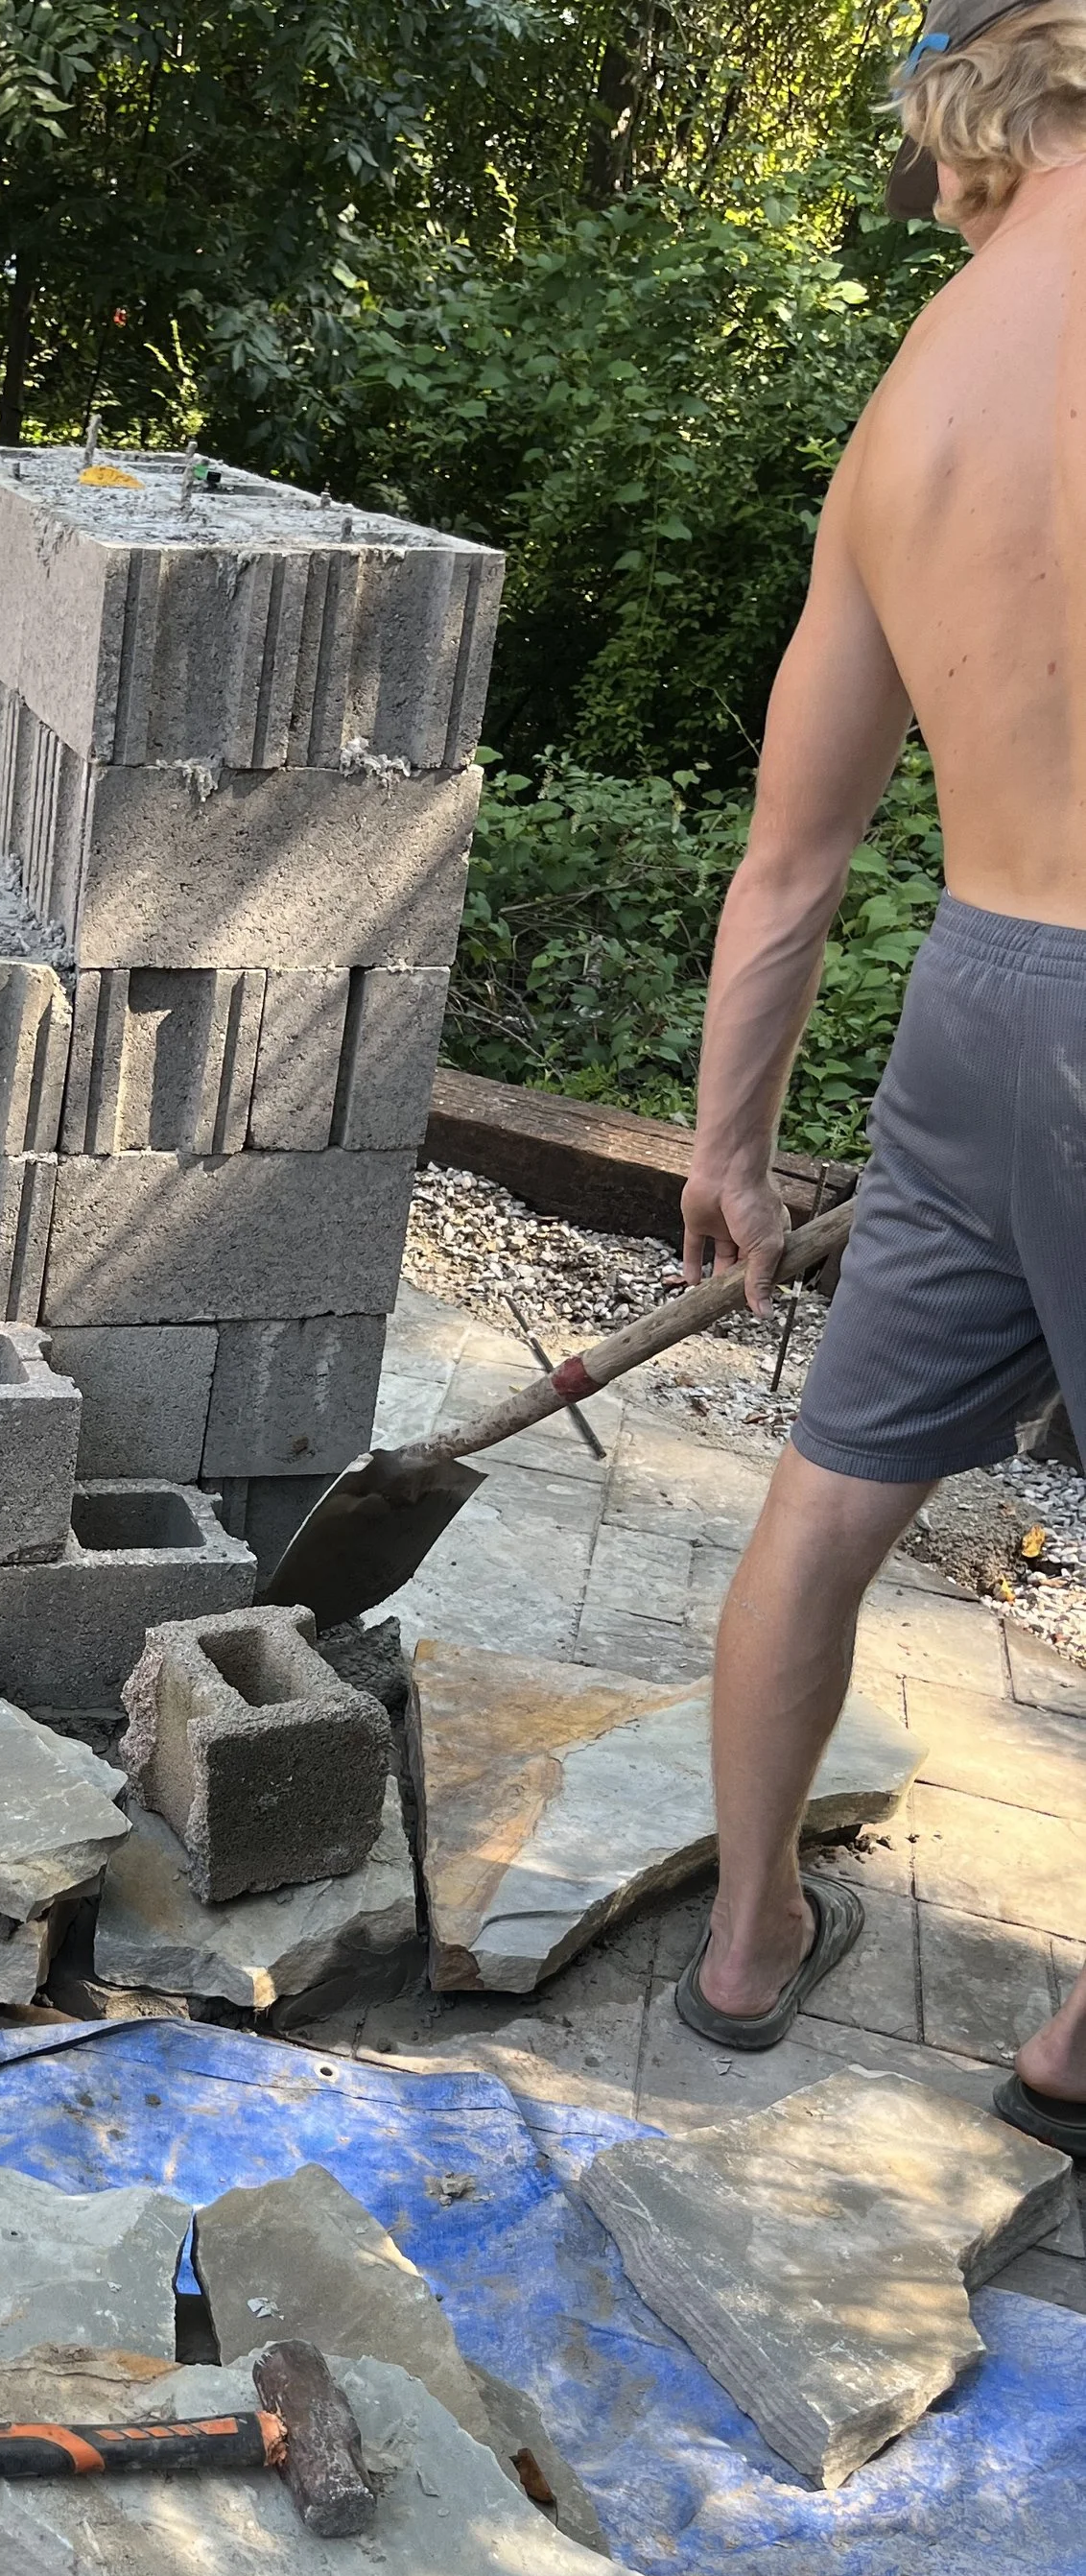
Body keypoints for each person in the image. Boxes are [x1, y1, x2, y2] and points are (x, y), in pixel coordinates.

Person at [673, 0, 1086, 2150]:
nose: (927, 209)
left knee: (830, 1497)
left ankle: (746, 1944)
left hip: (978, 992)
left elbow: (791, 854)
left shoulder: (908, 407)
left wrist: (728, 1150)